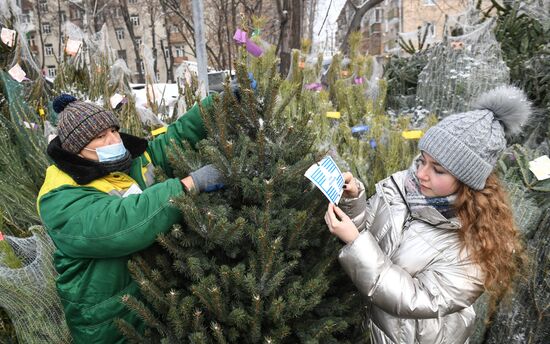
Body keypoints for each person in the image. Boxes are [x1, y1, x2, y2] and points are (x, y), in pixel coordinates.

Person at [324, 86, 530, 344]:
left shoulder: (475, 246)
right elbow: (372, 234)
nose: (421, 173)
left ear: (467, 181)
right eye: (423, 160)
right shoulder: (402, 188)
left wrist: (356, 243)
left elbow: (415, 299)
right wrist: (353, 201)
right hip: (372, 329)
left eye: (438, 170)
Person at [37, 94, 224, 343]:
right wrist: (188, 185)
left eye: (113, 130)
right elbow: (121, 224)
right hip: (109, 320)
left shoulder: (128, 162)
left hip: (152, 301)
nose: (113, 140)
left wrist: (219, 103)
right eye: (100, 137)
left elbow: (175, 138)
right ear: (76, 148)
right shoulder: (60, 196)